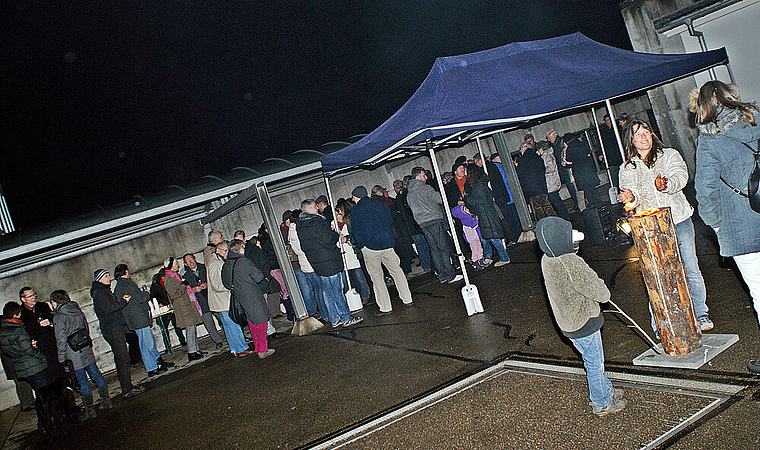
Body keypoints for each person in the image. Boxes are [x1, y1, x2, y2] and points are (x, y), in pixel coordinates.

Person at [617, 119, 713, 334]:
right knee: (657, 275)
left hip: (679, 220)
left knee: (690, 268)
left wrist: (667, 183)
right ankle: (661, 322)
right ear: (631, 140)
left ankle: (701, 313)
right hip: (652, 229)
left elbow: (681, 176)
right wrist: (631, 197)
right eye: (638, 134)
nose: (643, 137)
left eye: (646, 132)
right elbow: (632, 199)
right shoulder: (628, 167)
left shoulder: (669, 155)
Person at [690, 81, 760, 373]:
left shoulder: (710, 140)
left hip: (742, 228)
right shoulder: (755, 120)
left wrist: (718, 226)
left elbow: (704, 193)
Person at [535, 216, 626, 416]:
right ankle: (601, 402)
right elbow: (597, 290)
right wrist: (604, 293)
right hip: (584, 321)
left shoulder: (547, 259)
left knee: (590, 358)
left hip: (568, 324)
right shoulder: (571, 262)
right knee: (594, 363)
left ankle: (606, 390)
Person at [297, 199, 363, 327]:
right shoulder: (316, 222)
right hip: (329, 261)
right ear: (310, 209)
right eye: (315, 207)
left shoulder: (301, 226)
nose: (317, 208)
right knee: (337, 290)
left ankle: (334, 319)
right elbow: (327, 238)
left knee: (327, 291)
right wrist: (336, 235)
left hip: (317, 263)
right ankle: (345, 317)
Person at [351, 186, 413, 315]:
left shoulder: (356, 210)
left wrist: (361, 245)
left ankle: (385, 307)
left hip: (370, 248)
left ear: (356, 197)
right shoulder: (378, 203)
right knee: (397, 271)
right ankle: (407, 299)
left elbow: (356, 231)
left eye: (353, 197)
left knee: (377, 278)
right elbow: (390, 220)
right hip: (387, 244)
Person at [49, 290, 111, 419]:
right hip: (84, 346)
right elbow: (85, 327)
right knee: (95, 373)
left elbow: (61, 339)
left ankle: (90, 410)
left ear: (54, 302)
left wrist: (62, 358)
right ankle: (106, 400)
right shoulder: (76, 308)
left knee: (82, 379)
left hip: (72, 352)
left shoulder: (59, 316)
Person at [91, 269, 145, 398]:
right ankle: (127, 389)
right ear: (99, 278)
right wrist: (123, 302)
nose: (109, 278)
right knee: (122, 358)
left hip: (115, 328)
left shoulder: (102, 291)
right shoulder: (99, 292)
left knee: (123, 358)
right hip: (112, 329)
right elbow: (109, 308)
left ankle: (128, 386)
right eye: (106, 276)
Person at [407, 167, 463, 284]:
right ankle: (450, 275)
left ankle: (442, 276)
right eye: (423, 175)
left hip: (422, 223)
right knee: (443, 248)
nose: (426, 177)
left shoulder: (410, 194)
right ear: (417, 177)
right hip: (433, 220)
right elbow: (440, 199)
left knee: (434, 250)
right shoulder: (425, 188)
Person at [113, 264, 171, 377]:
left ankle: (157, 362)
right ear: (125, 272)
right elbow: (141, 298)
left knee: (147, 342)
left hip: (133, 319)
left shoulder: (118, 287)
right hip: (139, 318)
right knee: (146, 344)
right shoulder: (128, 284)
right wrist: (146, 292)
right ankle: (152, 367)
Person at [221, 239, 275, 359]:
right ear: (240, 249)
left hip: (239, 297)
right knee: (261, 322)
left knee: (252, 322)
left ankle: (258, 347)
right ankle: (262, 350)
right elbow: (258, 276)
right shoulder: (243, 262)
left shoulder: (226, 264)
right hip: (252, 295)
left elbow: (226, 283)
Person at [0, 302, 52, 425]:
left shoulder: (2, 331)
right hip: (33, 366)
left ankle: (44, 423)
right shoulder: (19, 330)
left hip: (20, 367)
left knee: (39, 397)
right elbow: (28, 350)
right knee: (43, 397)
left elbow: (11, 349)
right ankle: (46, 422)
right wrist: (41, 356)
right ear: (15, 315)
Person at [207, 241, 252, 356]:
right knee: (233, 325)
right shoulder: (214, 264)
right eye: (225, 251)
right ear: (218, 250)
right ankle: (241, 347)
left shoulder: (216, 261)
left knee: (229, 327)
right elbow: (216, 285)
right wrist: (230, 286)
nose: (227, 253)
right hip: (222, 301)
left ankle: (234, 348)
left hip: (222, 301)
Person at [464, 164, 511, 267]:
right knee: (487, 237)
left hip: (486, 216)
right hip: (486, 214)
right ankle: (488, 257)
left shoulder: (478, 187)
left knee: (493, 238)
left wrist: (467, 199)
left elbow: (482, 200)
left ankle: (504, 258)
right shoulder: (481, 184)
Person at [162, 258, 204, 362]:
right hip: (182, 308)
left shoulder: (175, 276)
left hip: (187, 305)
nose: (178, 265)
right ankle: (191, 352)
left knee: (193, 328)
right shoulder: (169, 279)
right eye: (176, 263)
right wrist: (183, 286)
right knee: (190, 329)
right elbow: (174, 294)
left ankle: (196, 350)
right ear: (171, 265)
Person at [18, 287, 64, 380]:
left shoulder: (42, 306)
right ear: (23, 299)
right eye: (30, 296)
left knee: (59, 369)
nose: (34, 297)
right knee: (48, 374)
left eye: (34, 295)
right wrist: (38, 325)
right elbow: (26, 329)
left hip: (51, 342)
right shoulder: (21, 313)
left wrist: (50, 323)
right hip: (39, 348)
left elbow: (53, 319)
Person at [289, 210, 328, 315]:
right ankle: (325, 313)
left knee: (316, 288)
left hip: (304, 264)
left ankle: (322, 313)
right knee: (320, 288)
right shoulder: (298, 230)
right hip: (310, 262)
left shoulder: (291, 230)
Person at [183, 253, 224, 349]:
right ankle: (218, 340)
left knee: (222, 318)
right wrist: (193, 290)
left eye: (191, 259)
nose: (191, 262)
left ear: (195, 259)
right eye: (188, 261)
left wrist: (207, 284)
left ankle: (229, 335)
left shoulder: (204, 268)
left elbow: (214, 279)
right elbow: (185, 291)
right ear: (185, 264)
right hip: (201, 302)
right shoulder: (186, 276)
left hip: (211, 298)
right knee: (208, 323)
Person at [334, 199, 371, 302]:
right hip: (344, 255)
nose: (337, 217)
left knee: (360, 276)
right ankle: (355, 298)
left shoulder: (350, 222)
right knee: (348, 280)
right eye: (336, 215)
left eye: (339, 214)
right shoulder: (333, 225)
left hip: (353, 254)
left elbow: (355, 235)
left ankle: (365, 296)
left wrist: (348, 239)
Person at [394, 178, 431, 272]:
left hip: (411, 226)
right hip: (418, 222)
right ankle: (429, 263)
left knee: (420, 245)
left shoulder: (399, 198)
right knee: (425, 243)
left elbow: (402, 214)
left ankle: (426, 264)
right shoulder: (409, 194)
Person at [488, 153, 523, 244]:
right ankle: (519, 234)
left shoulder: (497, 167)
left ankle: (518, 235)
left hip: (507, 198)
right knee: (514, 217)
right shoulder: (498, 167)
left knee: (512, 218)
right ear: (495, 159)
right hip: (509, 197)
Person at [515, 141, 554, 221]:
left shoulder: (522, 161)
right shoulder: (538, 158)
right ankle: (555, 221)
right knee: (547, 205)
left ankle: (543, 225)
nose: (520, 151)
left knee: (537, 208)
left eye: (520, 149)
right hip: (542, 186)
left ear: (524, 148)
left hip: (531, 190)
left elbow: (520, 176)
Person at [564, 133, 602, 209]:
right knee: (592, 188)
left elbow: (568, 162)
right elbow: (588, 153)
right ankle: (599, 202)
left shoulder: (570, 149)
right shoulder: (581, 143)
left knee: (586, 189)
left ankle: (593, 204)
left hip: (579, 172)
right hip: (588, 169)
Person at [536, 140, 571, 220]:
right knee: (555, 201)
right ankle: (564, 216)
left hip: (551, 183)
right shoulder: (546, 155)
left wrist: (542, 170)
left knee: (556, 201)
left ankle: (564, 217)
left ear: (541, 149)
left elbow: (551, 168)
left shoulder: (547, 156)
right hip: (551, 182)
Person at [547, 130, 579, 210]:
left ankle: (578, 203)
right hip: (563, 170)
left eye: (549, 138)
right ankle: (577, 202)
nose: (548, 140)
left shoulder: (559, 143)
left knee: (572, 188)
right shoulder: (556, 143)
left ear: (553, 136)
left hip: (565, 170)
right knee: (571, 188)